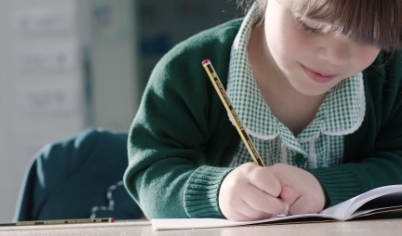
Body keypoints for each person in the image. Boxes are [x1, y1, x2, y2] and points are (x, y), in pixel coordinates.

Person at [123, 0, 402, 221]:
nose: (335, 57)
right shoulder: (187, 72)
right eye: (311, 25)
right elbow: (151, 175)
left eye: (370, 36)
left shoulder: (391, 74)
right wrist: (218, 193)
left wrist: (326, 187)